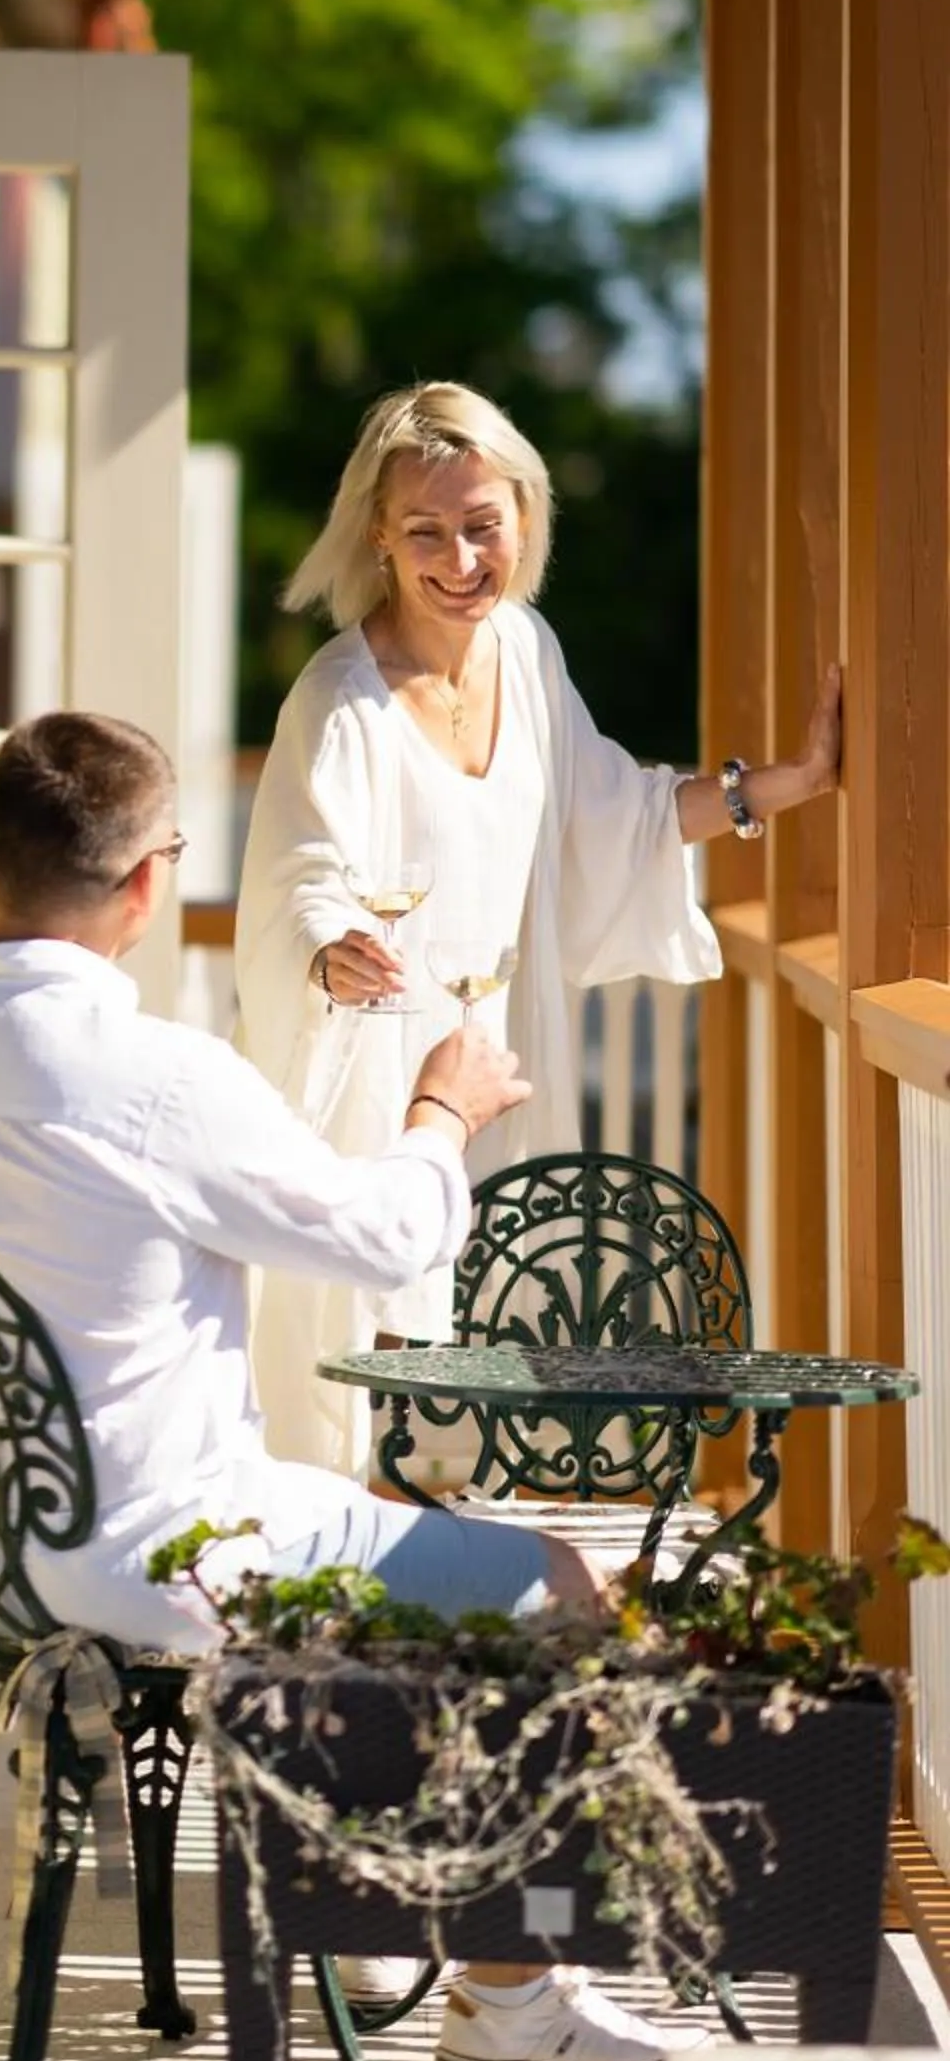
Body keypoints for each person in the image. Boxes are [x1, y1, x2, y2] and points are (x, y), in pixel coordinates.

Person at [0, 710, 706, 2061]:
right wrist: (445, 1113)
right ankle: (513, 1995)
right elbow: (387, 1238)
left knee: (370, 1526)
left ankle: (373, 1913)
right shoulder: (161, 1083)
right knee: (560, 1580)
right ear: (151, 883)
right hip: (175, 1561)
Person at [236, 381, 841, 1470]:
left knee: (501, 1339)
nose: (460, 560)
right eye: (425, 531)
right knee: (384, 1369)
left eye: (482, 526)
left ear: (523, 513)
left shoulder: (525, 648)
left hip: (505, 1066)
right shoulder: (336, 703)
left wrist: (783, 785)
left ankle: (470, 1601)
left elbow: (613, 814)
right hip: (382, 1079)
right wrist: (328, 945)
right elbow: (297, 875)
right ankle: (363, 1593)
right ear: (376, 532)